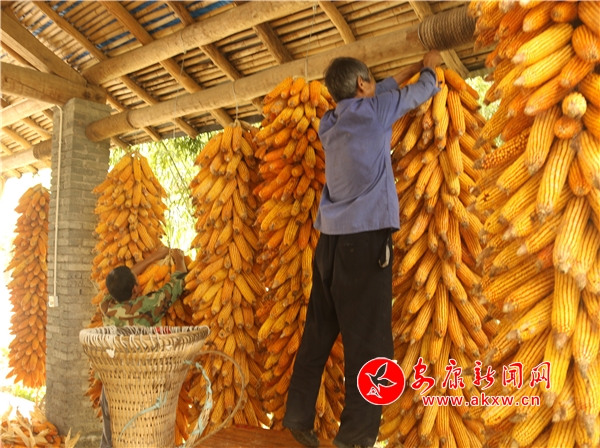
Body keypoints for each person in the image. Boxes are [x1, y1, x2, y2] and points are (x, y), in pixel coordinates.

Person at [283, 50, 443, 448]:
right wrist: (429, 66)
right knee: (370, 345)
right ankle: (354, 438)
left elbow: (383, 90)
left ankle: (297, 416)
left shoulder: (329, 122)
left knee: (318, 332)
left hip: (329, 245)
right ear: (360, 85)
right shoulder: (375, 112)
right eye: (369, 81)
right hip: (364, 243)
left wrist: (404, 69)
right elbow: (422, 90)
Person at [99, 246, 188, 448]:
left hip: (110, 386)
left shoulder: (106, 307)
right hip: (138, 388)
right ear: (134, 290)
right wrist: (179, 259)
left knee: (110, 439)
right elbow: (177, 284)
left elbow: (122, 280)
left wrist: (155, 256)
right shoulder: (146, 308)